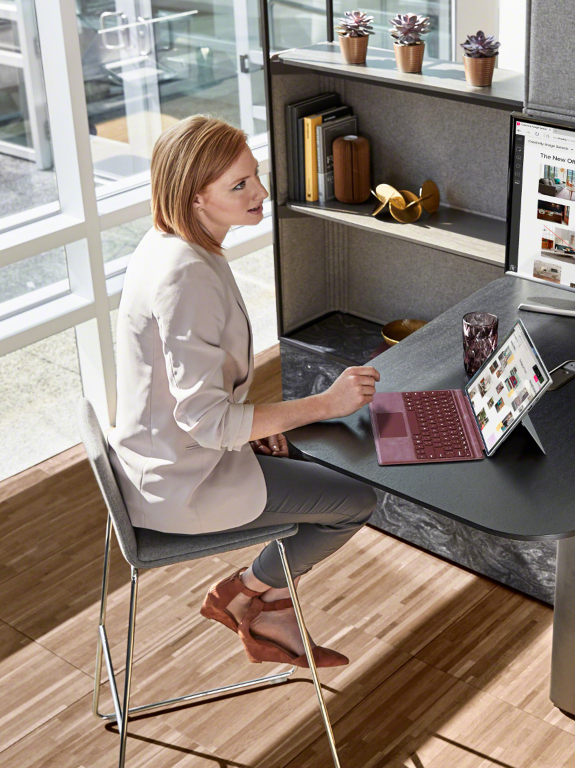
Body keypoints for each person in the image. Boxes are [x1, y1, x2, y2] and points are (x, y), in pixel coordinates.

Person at [109, 115, 380, 668]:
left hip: (166, 456)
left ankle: (269, 606)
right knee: (355, 501)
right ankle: (243, 593)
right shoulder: (185, 275)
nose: (259, 192)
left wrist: (256, 429)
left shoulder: (171, 242)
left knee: (323, 470)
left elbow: (196, 394)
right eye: (239, 186)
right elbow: (207, 422)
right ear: (194, 198)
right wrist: (326, 404)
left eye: (254, 175)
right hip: (183, 483)